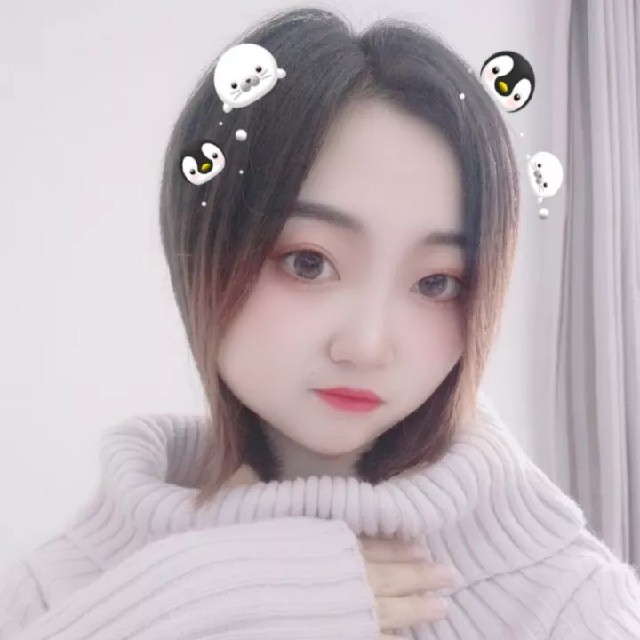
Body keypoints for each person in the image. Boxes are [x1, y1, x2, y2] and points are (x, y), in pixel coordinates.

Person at [2, 6, 639, 640]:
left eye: (436, 282)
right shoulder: (58, 589)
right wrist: (201, 599)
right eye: (309, 263)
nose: (366, 345)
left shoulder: (568, 604)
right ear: (201, 242)